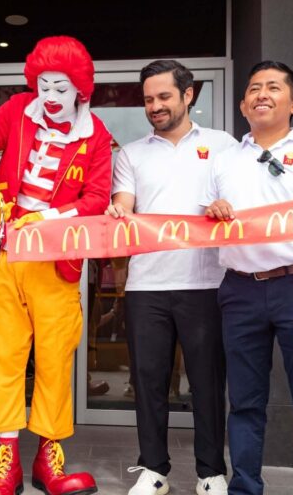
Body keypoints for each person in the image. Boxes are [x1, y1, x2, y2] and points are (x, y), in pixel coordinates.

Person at [0, 36, 112, 495]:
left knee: (54, 355)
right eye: (44, 84)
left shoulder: (96, 134)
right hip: (4, 250)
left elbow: (97, 199)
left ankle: (50, 458)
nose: (50, 96)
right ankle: (6, 461)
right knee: (2, 352)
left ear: (80, 90)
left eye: (61, 87)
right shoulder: (17, 110)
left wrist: (47, 218)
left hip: (55, 256)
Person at [201, 61, 293, 495]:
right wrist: (213, 211)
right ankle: (244, 487)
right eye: (254, 89)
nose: (262, 94)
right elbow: (205, 218)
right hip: (239, 289)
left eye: (273, 88)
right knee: (244, 403)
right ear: (244, 104)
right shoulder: (225, 160)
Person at [105, 59, 236, 495]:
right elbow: (124, 202)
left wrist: (224, 205)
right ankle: (154, 469)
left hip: (207, 282)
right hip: (147, 286)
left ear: (188, 95)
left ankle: (211, 472)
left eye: (164, 96)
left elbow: (241, 196)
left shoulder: (224, 145)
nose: (155, 106)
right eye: (148, 99)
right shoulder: (131, 153)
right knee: (147, 382)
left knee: (207, 384)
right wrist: (119, 211)